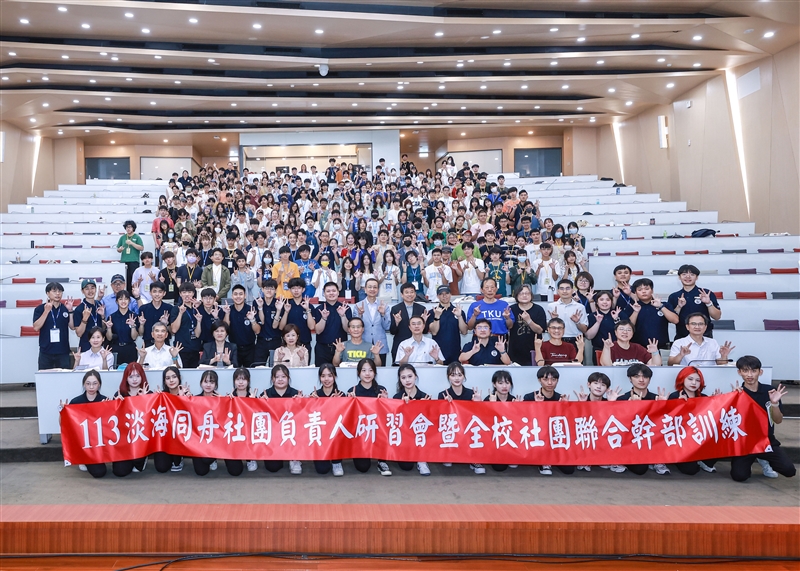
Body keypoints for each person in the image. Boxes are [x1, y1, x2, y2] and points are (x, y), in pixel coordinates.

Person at [730, 355, 796, 482]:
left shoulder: (770, 391)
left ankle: (764, 459)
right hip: (745, 442)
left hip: (766, 440)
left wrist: (774, 403)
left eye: (753, 371)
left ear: (760, 372)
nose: (749, 374)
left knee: (789, 470)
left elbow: (778, 420)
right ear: (739, 372)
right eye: (745, 371)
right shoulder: (737, 393)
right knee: (739, 476)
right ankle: (755, 459)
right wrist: (735, 399)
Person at [617, 363, 669, 476]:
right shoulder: (622, 399)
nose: (641, 380)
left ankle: (656, 459)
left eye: (645, 376)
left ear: (649, 379)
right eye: (637, 376)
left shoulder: (657, 398)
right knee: (640, 469)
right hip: (632, 442)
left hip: (653, 440)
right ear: (630, 379)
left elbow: (666, 423)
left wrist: (664, 406)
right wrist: (632, 407)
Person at [522, 366, 574, 476]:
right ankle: (543, 461)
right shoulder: (529, 397)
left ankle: (553, 458)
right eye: (546, 379)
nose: (550, 383)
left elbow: (567, 423)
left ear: (557, 381)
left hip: (556, 438)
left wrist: (565, 407)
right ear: (539, 380)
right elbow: (524, 420)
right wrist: (538, 406)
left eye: (553, 379)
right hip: (537, 437)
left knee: (569, 470)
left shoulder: (560, 398)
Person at [667, 366, 720, 476]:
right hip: (682, 440)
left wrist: (717, 403)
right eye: (690, 379)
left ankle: (702, 460)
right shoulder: (675, 396)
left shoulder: (704, 397)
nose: (694, 383)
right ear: (682, 379)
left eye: (697, 380)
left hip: (699, 437)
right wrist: (678, 405)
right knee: (691, 470)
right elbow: (669, 420)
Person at [346, 358, 391, 476]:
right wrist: (349, 402)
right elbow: (348, 418)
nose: (367, 374)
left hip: (377, 430)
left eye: (370, 370)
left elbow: (387, 415)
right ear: (358, 373)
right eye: (364, 370)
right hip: (361, 433)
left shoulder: (381, 390)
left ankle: (382, 461)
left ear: (375, 372)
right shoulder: (352, 391)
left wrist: (386, 402)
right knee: (363, 467)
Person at [60, 370, 109, 478]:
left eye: (95, 383)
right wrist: (63, 412)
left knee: (103, 471)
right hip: (84, 444)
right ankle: (83, 458)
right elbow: (64, 426)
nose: (91, 387)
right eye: (88, 383)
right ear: (84, 384)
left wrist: (108, 408)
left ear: (99, 384)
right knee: (99, 473)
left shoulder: (104, 400)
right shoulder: (76, 401)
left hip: (100, 443)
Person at [260, 365, 303, 475]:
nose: (280, 379)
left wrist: (302, 403)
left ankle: (294, 458)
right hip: (273, 436)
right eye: (277, 377)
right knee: (272, 467)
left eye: (283, 377)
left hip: (292, 433)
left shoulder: (296, 394)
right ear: (272, 379)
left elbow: (303, 417)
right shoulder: (265, 394)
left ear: (288, 378)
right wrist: (260, 403)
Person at [111, 363, 151, 477]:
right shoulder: (120, 394)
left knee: (137, 465)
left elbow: (152, 419)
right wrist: (115, 405)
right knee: (120, 472)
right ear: (126, 378)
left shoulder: (148, 393)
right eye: (131, 376)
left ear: (142, 377)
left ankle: (142, 459)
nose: (134, 380)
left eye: (137, 376)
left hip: (141, 438)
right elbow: (112, 418)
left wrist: (145, 400)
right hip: (124, 439)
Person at [393, 364, 431, 476]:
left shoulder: (424, 396)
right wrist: (402, 406)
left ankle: (422, 460)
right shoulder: (397, 397)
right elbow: (395, 421)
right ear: (400, 380)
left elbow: (432, 420)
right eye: (403, 377)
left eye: (410, 376)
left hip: (421, 435)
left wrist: (425, 406)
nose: (407, 380)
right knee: (406, 466)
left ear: (415, 377)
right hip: (405, 437)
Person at [309, 364, 346, 476]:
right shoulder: (315, 395)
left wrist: (338, 403)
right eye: (323, 376)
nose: (326, 379)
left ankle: (337, 462)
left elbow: (346, 417)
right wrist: (310, 402)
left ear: (334, 376)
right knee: (322, 470)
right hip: (320, 436)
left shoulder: (341, 395)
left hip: (335, 435)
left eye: (330, 375)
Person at [668, 264, 721, 340]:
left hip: (705, 336)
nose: (688, 277)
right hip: (682, 336)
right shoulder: (673, 296)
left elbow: (717, 317)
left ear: (697, 277)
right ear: (679, 277)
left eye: (692, 274)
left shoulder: (706, 293)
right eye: (684, 274)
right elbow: (671, 320)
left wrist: (708, 303)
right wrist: (679, 307)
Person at [152, 366, 188, 473]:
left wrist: (183, 399)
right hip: (165, 436)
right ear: (164, 381)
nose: (171, 380)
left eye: (174, 377)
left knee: (175, 461)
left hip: (180, 435)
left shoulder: (186, 394)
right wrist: (154, 399)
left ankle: (179, 459)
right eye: (168, 378)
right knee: (161, 467)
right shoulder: (161, 395)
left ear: (179, 378)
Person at [32, 282, 75, 370]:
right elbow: (36, 327)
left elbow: (72, 327)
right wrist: (46, 311)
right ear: (48, 293)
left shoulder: (65, 308)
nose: (58, 294)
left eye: (60, 291)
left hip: (63, 351)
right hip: (46, 352)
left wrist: (70, 311)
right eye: (54, 291)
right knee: (45, 376)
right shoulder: (40, 309)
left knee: (64, 376)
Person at [482, 370, 518, 472]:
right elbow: (485, 422)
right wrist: (493, 406)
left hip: (509, 437)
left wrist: (518, 408)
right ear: (494, 384)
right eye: (500, 383)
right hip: (494, 438)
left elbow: (518, 423)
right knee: (499, 467)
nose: (504, 386)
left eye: (507, 383)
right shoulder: (489, 399)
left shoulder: (514, 400)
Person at [668, 313, 735, 366]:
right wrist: (681, 355)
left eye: (701, 324)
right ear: (687, 327)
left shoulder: (712, 342)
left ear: (705, 327)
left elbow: (721, 364)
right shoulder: (679, 343)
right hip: (688, 376)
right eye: (693, 324)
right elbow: (670, 364)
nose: (697, 327)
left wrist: (724, 356)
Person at [312, 281, 353, 366]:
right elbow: (318, 331)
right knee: (322, 372)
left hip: (341, 347)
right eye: (328, 291)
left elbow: (348, 330)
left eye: (334, 291)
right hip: (322, 348)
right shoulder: (319, 309)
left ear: (338, 292)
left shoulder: (345, 308)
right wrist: (323, 318)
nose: (331, 293)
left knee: (341, 372)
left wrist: (343, 316)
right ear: (324, 294)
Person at [628, 278, 677, 349]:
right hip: (638, 347)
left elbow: (675, 320)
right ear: (635, 292)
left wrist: (661, 306)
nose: (644, 291)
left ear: (652, 290)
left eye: (647, 289)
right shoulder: (632, 306)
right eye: (640, 290)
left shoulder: (664, 305)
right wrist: (636, 312)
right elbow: (628, 326)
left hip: (661, 346)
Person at [350, 279, 390, 365]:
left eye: (375, 287)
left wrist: (383, 314)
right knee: (363, 369)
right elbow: (355, 327)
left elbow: (387, 327)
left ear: (378, 290)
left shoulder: (384, 306)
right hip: (363, 344)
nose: (372, 289)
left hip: (380, 345)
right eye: (370, 287)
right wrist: (360, 315)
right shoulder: (358, 306)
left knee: (380, 370)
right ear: (365, 289)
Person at [426, 285, 468, 365]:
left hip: (455, 351)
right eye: (441, 294)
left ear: (450, 294)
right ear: (437, 296)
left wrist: (459, 316)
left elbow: (464, 332)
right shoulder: (432, 312)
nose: (444, 296)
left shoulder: (458, 311)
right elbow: (434, 332)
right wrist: (437, 316)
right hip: (438, 351)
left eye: (447, 293)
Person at [507, 284, 546, 366]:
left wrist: (529, 320)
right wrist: (507, 318)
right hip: (515, 349)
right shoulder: (511, 309)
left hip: (534, 349)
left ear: (531, 295)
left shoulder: (539, 309)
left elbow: (540, 330)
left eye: (527, 293)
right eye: (521, 293)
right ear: (516, 295)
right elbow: (508, 327)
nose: (524, 295)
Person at [222, 284, 260, 367]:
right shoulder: (228, 310)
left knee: (250, 372)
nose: (238, 296)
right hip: (234, 348)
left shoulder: (251, 309)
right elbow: (225, 329)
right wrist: (227, 314)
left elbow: (257, 331)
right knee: (233, 372)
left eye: (241, 294)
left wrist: (252, 320)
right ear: (232, 296)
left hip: (250, 348)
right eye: (235, 294)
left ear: (245, 296)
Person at [389, 283, 427, 365]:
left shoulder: (421, 308)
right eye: (406, 292)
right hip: (400, 346)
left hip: (418, 346)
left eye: (412, 292)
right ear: (402, 295)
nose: (409, 294)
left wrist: (424, 322)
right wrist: (396, 322)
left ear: (415, 294)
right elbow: (392, 331)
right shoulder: (395, 309)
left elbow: (425, 331)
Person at [546, 279, 588, 353]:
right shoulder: (551, 306)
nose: (564, 291)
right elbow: (547, 328)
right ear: (558, 291)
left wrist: (577, 322)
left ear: (572, 290)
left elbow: (584, 330)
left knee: (576, 360)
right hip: (557, 340)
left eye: (567, 288)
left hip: (575, 340)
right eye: (562, 289)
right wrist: (553, 320)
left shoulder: (580, 307)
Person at [229, 367, 258, 472]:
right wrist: (226, 402)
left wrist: (254, 402)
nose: (240, 382)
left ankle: (250, 458)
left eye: (243, 379)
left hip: (249, 431)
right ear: (234, 381)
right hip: (234, 431)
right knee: (235, 471)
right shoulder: (230, 397)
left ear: (248, 381)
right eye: (238, 379)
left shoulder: (253, 396)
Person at [169, 283, 203, 368]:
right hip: (181, 348)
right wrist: (180, 313)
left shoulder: (197, 308)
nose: (187, 294)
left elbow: (198, 333)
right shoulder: (176, 308)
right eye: (184, 292)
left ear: (193, 293)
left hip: (195, 348)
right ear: (180, 294)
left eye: (189, 292)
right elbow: (174, 330)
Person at [276, 278, 315, 349]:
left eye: (299, 288)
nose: (296, 290)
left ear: (303, 289)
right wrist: (286, 312)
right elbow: (281, 327)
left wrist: (307, 309)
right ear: (289, 290)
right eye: (293, 288)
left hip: (304, 343)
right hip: (288, 344)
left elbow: (312, 327)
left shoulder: (309, 305)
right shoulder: (285, 304)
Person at [104, 289, 139, 366]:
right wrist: (109, 328)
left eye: (126, 299)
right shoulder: (111, 317)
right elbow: (109, 338)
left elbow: (134, 337)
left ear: (129, 301)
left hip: (130, 349)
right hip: (116, 349)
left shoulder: (134, 316)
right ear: (116, 301)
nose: (123, 301)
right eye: (120, 299)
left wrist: (133, 326)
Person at [585, 291, 620, 364]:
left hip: (618, 349)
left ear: (611, 302)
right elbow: (589, 336)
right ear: (597, 302)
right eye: (601, 300)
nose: (605, 302)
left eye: (608, 300)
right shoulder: (592, 316)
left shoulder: (619, 314)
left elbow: (626, 331)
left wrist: (616, 320)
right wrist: (598, 322)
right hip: (599, 349)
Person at [71, 279, 106, 353]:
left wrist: (103, 317)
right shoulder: (79, 309)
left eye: (92, 288)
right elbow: (79, 333)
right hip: (86, 347)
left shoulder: (99, 305)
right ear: (82, 291)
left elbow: (103, 328)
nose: (90, 291)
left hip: (100, 346)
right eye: (87, 289)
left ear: (96, 289)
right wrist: (84, 319)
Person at [137, 281, 175, 347]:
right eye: (154, 291)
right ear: (150, 293)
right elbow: (140, 333)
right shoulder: (143, 309)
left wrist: (167, 324)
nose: (157, 294)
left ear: (164, 293)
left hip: (165, 344)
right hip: (148, 344)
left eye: (160, 292)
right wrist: (141, 324)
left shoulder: (169, 308)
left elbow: (172, 332)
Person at [253, 279, 281, 366]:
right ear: (262, 289)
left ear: (275, 290)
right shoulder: (257, 302)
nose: (269, 291)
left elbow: (275, 326)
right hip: (261, 341)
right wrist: (260, 307)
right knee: (258, 368)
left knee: (277, 368)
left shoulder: (279, 303)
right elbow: (262, 322)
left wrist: (278, 310)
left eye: (272, 288)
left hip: (276, 341)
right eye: (266, 288)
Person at [117, 220, 144, 292]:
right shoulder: (123, 237)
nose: (128, 229)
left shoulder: (137, 237)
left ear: (133, 228)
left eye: (130, 227)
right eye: (127, 227)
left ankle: (134, 294)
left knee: (133, 279)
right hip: (124, 261)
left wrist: (132, 243)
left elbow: (141, 248)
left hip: (134, 261)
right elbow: (118, 249)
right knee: (125, 279)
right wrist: (120, 249)